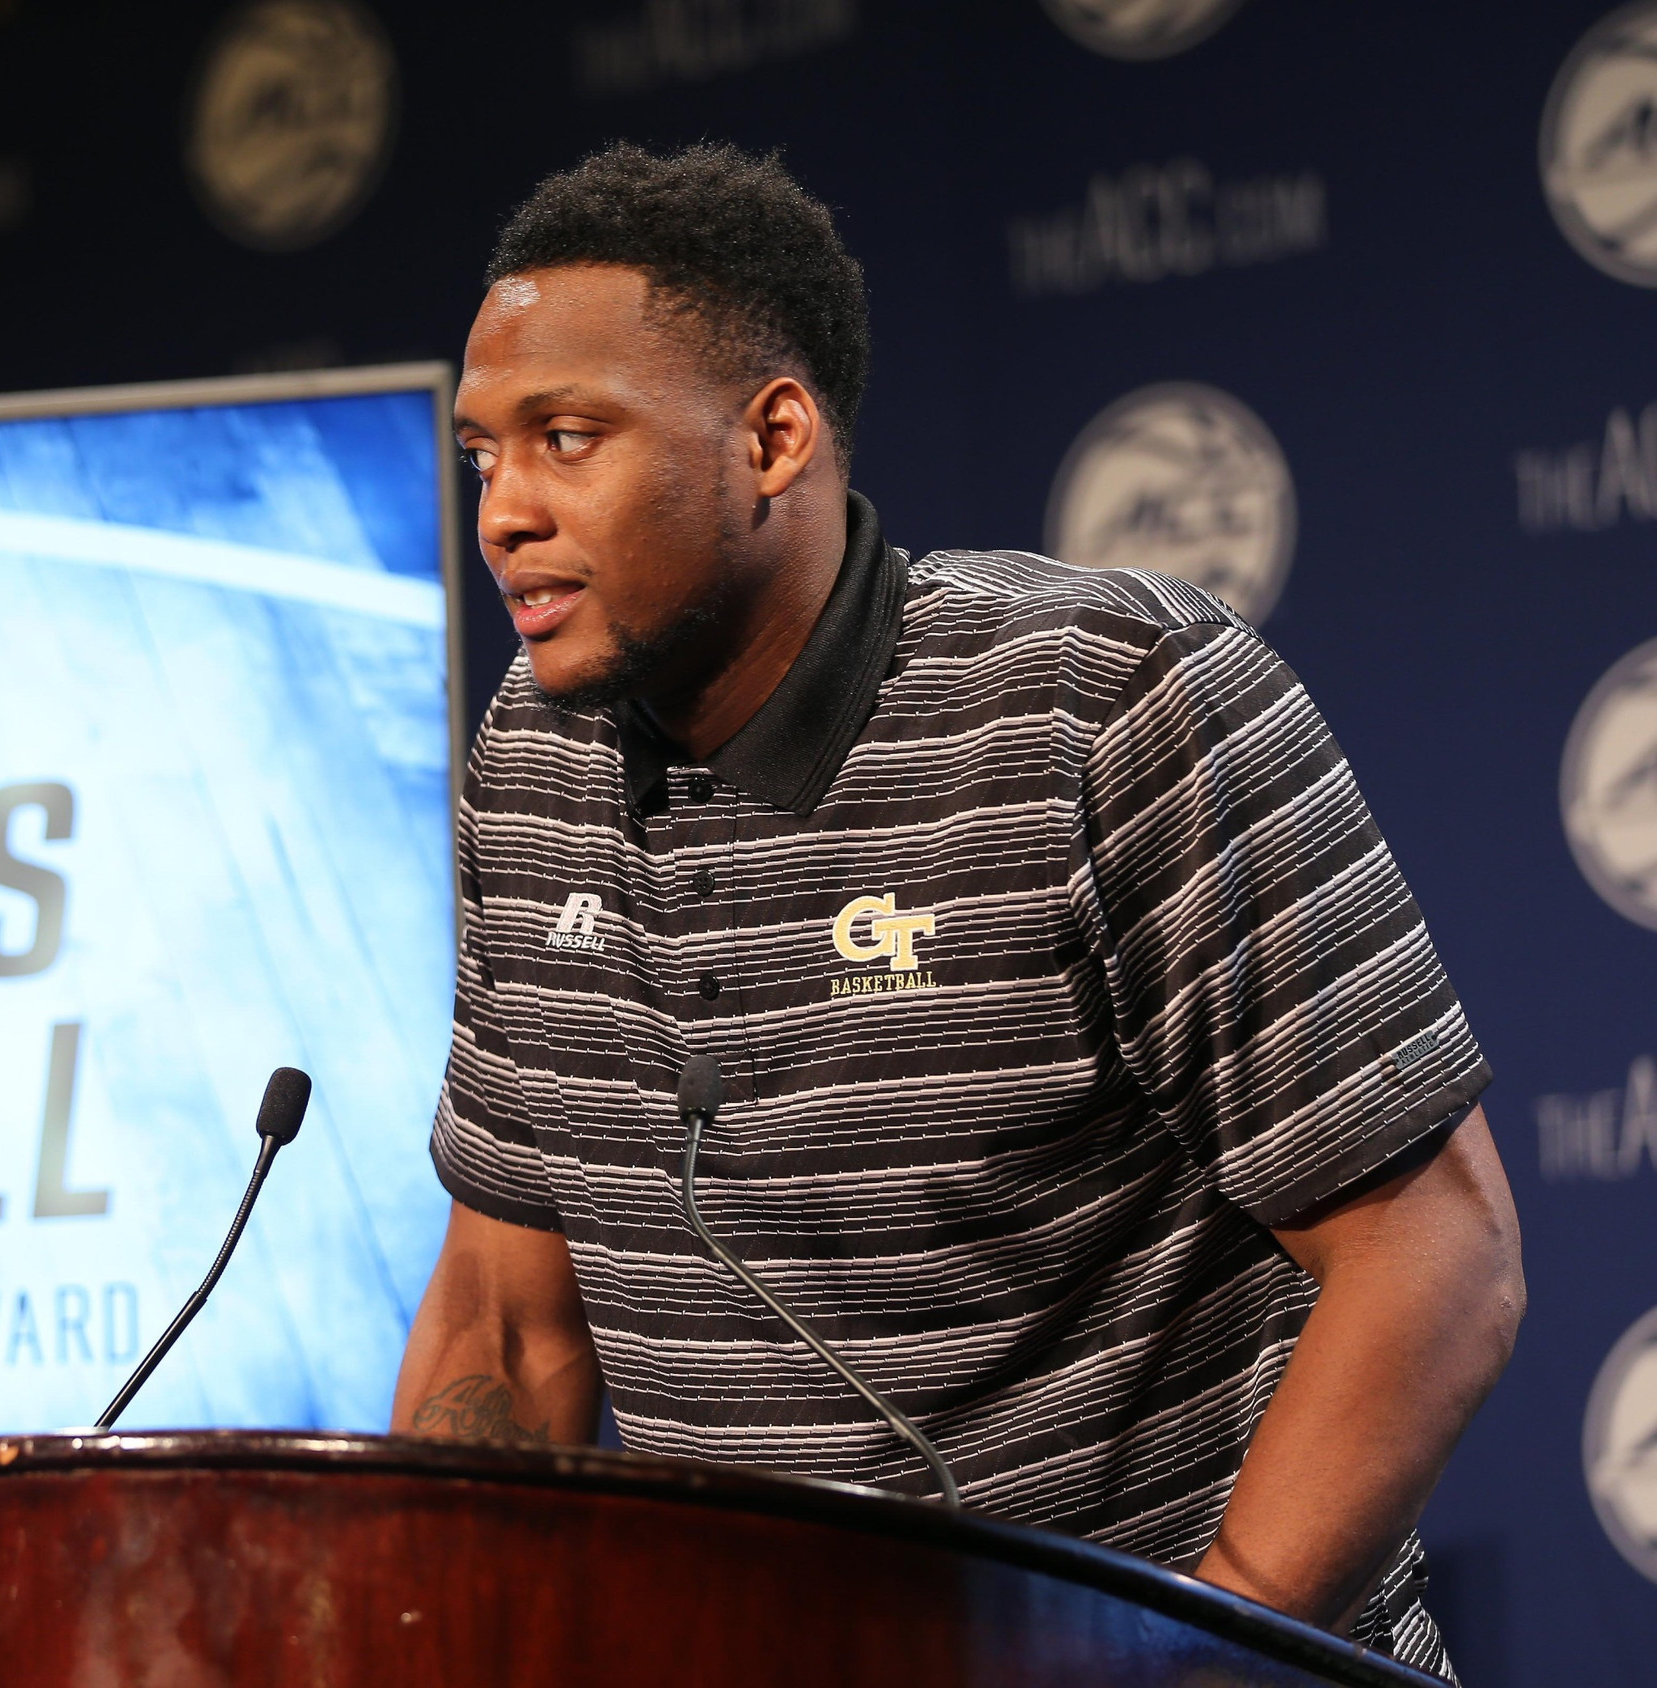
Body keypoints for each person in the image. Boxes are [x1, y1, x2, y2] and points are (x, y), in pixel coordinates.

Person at [392, 142, 1522, 1678]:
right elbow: (510, 1326)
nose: (503, 511)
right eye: (481, 456)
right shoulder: (530, 758)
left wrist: (1188, 1656)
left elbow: (1436, 1261)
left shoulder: (1107, 704)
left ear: (773, 436)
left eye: (567, 438)